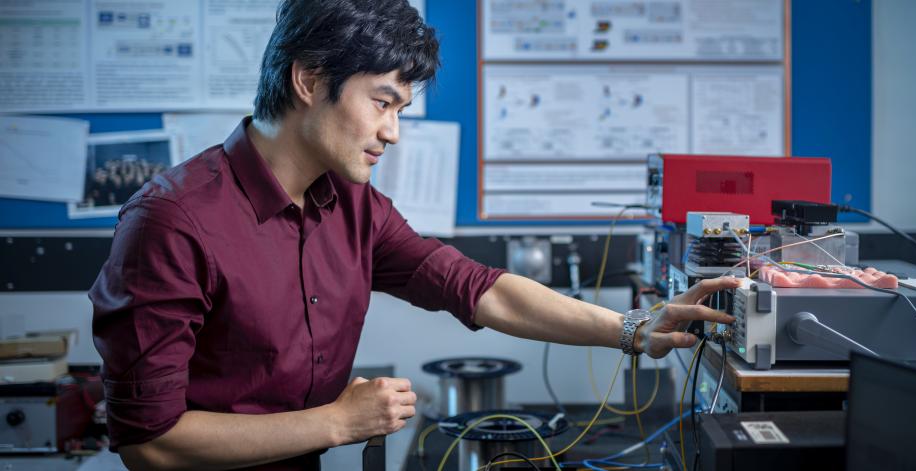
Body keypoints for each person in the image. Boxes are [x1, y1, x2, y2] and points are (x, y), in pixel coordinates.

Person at [89, 0, 739, 469]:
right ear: (308, 79)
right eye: (382, 102)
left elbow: (473, 287)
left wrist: (632, 328)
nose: (393, 132)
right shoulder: (172, 222)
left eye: (401, 109)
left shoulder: (351, 204)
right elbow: (153, 441)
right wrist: (338, 421)